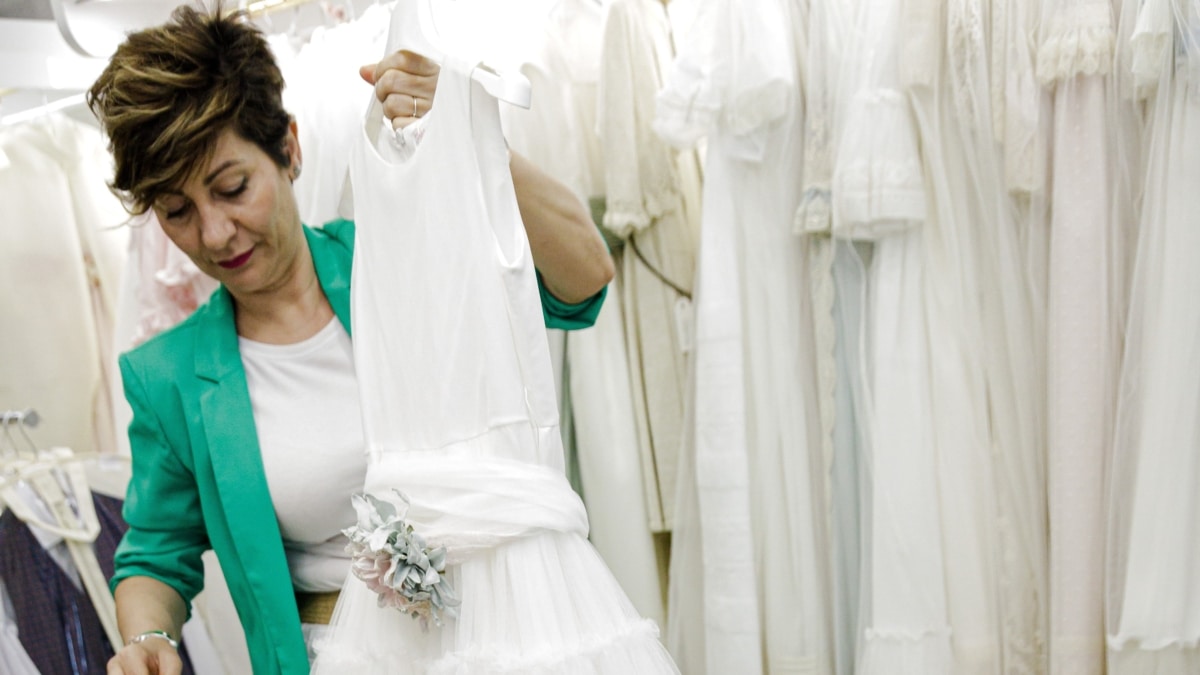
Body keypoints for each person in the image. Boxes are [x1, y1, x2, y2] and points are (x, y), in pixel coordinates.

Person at [90, 6, 614, 674]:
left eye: (232, 188)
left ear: (290, 149)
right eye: (178, 212)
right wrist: (150, 640)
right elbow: (155, 553)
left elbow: (583, 281)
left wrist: (471, 136)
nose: (215, 233)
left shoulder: (398, 259)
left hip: (502, 641)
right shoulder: (169, 376)